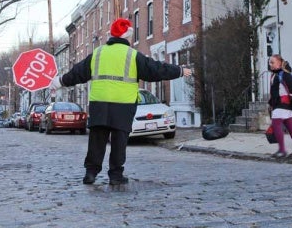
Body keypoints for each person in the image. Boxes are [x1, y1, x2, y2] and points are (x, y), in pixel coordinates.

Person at [49, 18, 192, 185]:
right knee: (119, 141)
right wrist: (179, 71)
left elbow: (77, 73)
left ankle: (91, 173)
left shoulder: (98, 53)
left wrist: (60, 81)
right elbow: (156, 70)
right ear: (128, 36)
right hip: (123, 106)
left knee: (97, 140)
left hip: (99, 103)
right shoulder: (132, 55)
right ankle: (116, 175)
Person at [267, 54, 292, 158]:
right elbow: (274, 92)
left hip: (284, 104)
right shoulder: (274, 75)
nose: (270, 64)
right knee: (290, 126)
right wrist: (271, 104)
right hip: (279, 105)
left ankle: (282, 150)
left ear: (279, 63)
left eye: (272, 62)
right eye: (269, 62)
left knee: (276, 124)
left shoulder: (285, 75)